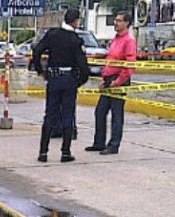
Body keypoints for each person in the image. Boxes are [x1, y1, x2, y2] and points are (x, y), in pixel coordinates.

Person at [32, 8, 89, 162]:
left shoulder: (52, 34)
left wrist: (40, 70)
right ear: (76, 21)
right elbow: (83, 66)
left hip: (53, 79)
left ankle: (43, 152)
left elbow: (37, 51)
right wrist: (79, 81)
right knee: (67, 115)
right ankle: (65, 152)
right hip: (69, 79)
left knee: (49, 114)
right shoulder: (75, 39)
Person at [85, 11, 136, 155]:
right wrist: (103, 78)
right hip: (108, 79)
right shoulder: (115, 39)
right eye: (115, 20)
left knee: (116, 113)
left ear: (126, 23)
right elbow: (109, 61)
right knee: (100, 111)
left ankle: (114, 145)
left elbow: (129, 65)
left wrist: (118, 82)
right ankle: (99, 143)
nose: (116, 23)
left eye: (119, 21)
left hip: (119, 80)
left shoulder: (129, 40)